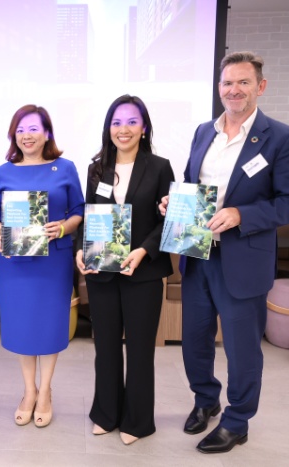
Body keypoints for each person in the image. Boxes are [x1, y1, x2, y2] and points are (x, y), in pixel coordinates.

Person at [159, 51, 289, 453]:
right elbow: (192, 183)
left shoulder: (282, 138)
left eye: (243, 82)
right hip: (198, 253)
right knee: (195, 340)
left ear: (260, 86)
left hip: (243, 259)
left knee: (242, 349)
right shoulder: (203, 132)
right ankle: (205, 400)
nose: (234, 90)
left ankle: (237, 420)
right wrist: (175, 204)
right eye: (227, 83)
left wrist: (242, 214)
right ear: (219, 87)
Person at [75, 95, 175, 445]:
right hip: (102, 272)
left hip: (143, 273)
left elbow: (169, 220)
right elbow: (88, 215)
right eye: (117, 122)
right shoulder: (97, 169)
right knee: (105, 347)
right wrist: (80, 250)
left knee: (140, 349)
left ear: (143, 127)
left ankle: (138, 421)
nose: (124, 129)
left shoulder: (160, 167)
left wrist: (144, 250)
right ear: (108, 128)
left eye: (132, 122)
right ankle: (106, 413)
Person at [0, 105, 84, 428]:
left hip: (53, 261)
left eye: (33, 129)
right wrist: (4, 233)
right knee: (23, 325)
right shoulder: (4, 171)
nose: (27, 135)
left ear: (47, 133)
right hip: (16, 263)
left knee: (50, 325)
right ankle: (29, 391)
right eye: (21, 130)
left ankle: (46, 391)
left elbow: (78, 211)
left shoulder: (65, 168)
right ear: (14, 135)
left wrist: (63, 228)